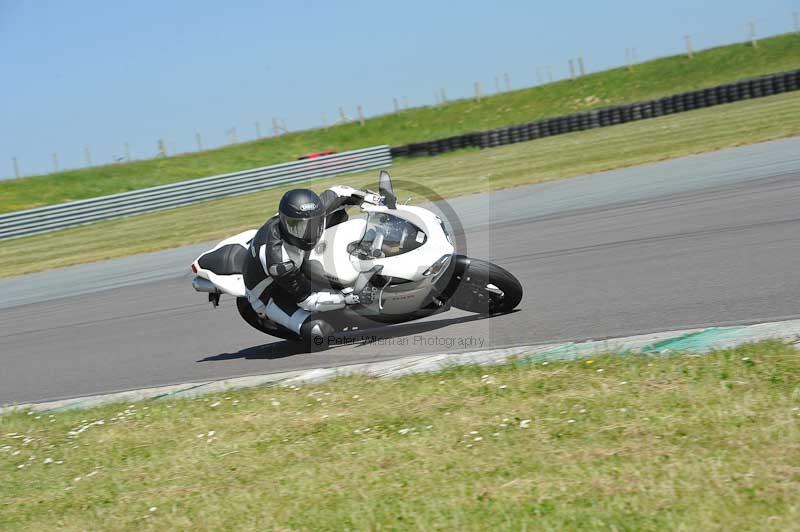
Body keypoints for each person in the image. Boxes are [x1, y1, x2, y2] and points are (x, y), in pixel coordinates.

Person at [242, 185, 376, 344]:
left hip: (298, 260)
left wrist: (373, 199)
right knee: (318, 332)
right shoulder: (279, 262)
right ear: (285, 223)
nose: (308, 233)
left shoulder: (305, 214)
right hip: (273, 293)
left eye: (314, 224)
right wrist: (347, 298)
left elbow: (339, 192)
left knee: (338, 214)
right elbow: (307, 300)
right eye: (298, 228)